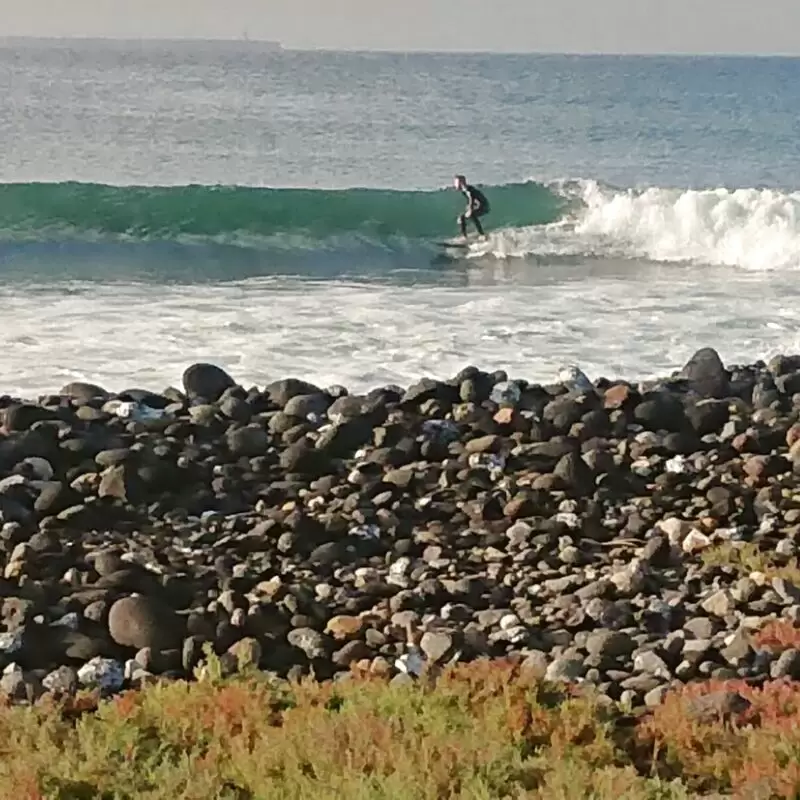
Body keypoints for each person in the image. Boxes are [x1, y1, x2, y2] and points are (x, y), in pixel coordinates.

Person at [453, 174, 490, 239]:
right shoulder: (464, 190)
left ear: (461, 183)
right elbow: (471, 200)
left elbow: (471, 198)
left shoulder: (467, 189)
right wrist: (468, 207)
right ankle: (465, 236)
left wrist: (470, 209)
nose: (454, 185)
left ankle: (481, 234)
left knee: (470, 214)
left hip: (484, 207)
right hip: (479, 206)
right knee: (462, 217)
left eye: (456, 183)